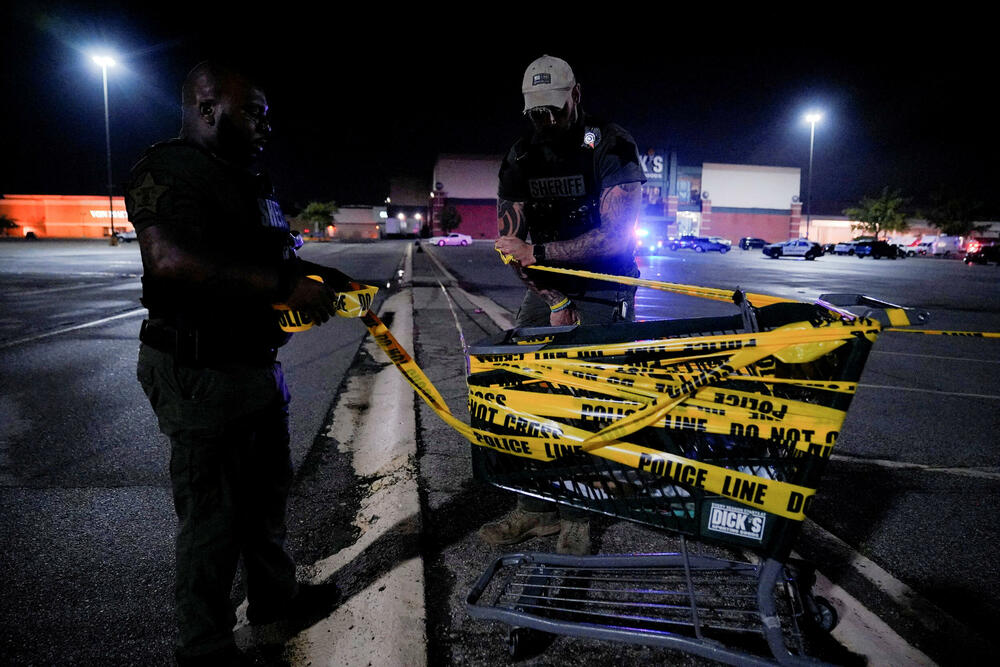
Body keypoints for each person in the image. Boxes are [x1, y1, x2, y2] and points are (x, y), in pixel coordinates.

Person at [126, 61, 345, 666]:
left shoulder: (249, 181)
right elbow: (169, 262)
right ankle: (205, 645)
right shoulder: (168, 170)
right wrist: (280, 284)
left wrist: (328, 281)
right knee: (212, 513)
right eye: (252, 112)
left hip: (253, 365)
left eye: (266, 115)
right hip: (201, 368)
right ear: (205, 109)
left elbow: (279, 257)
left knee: (268, 495)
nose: (264, 125)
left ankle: (275, 598)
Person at [483, 55, 646, 556]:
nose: (547, 121)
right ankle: (535, 509)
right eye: (537, 113)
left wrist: (545, 255)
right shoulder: (520, 156)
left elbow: (619, 234)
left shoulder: (610, 144)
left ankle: (580, 514)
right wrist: (552, 295)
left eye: (555, 109)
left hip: (604, 287)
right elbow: (512, 244)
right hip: (546, 288)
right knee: (522, 391)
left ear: (576, 94)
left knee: (585, 401)